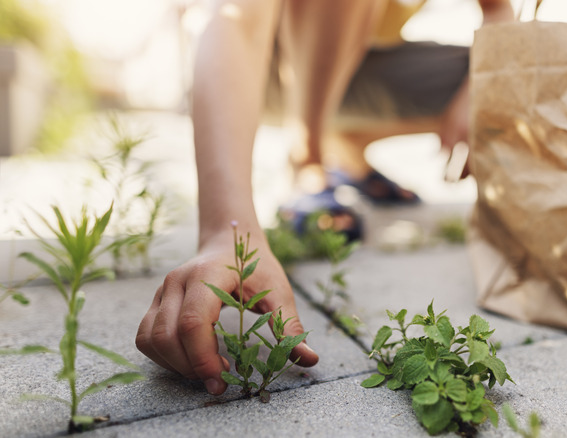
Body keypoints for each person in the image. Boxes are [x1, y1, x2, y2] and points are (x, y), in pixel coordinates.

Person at [135, 0, 514, 396]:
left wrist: (479, 87)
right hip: (254, 66)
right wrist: (225, 229)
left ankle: (347, 149)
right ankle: (309, 158)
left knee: (521, 74)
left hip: (359, 66)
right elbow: (237, 18)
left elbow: (499, 12)